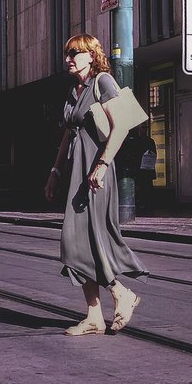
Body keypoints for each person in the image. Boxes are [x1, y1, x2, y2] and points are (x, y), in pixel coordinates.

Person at [45, 34, 148, 336]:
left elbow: (121, 127)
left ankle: (120, 293)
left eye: (75, 53)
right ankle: (94, 316)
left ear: (91, 55)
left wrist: (102, 166)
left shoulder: (102, 82)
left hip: (96, 172)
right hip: (77, 171)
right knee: (77, 243)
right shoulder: (73, 91)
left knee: (88, 239)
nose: (68, 59)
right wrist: (55, 171)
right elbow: (67, 134)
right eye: (67, 54)